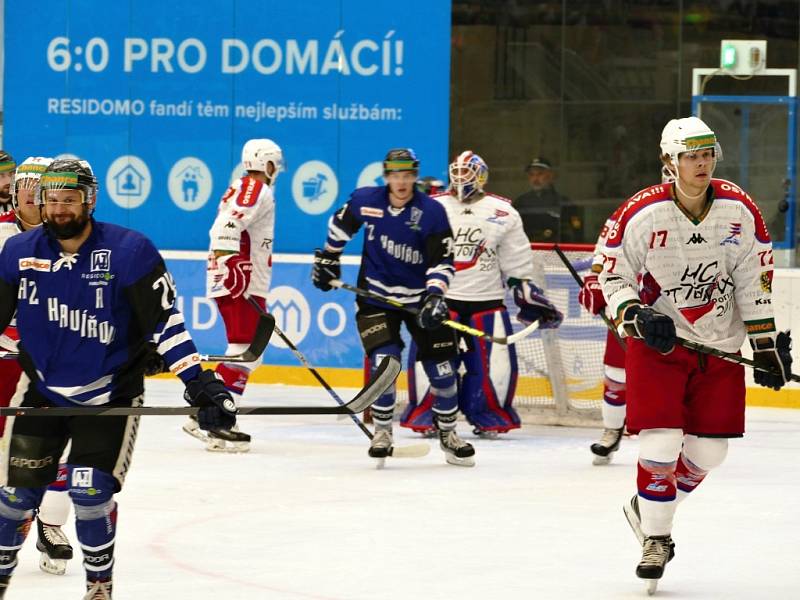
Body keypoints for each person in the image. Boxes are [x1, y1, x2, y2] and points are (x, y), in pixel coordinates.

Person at [0, 158, 237, 599]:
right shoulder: (19, 252)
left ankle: (99, 587)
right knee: (14, 499)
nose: (59, 209)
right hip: (42, 392)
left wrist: (200, 384)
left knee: (89, 493)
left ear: (89, 200)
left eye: (69, 200)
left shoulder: (130, 251)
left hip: (110, 395)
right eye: (52, 200)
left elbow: (166, 325)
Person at [598, 116, 792, 588]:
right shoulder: (642, 213)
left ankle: (648, 506)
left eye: (707, 154)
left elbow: (755, 280)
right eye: (691, 156)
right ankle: (657, 539)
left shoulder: (739, 210)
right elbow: (609, 274)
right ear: (670, 161)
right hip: (658, 344)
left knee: (710, 451)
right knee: (661, 443)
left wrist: (765, 344)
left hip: (720, 344)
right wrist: (635, 316)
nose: (701, 163)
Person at [312, 148, 476, 466]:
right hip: (376, 298)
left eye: (407, 175)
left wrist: (434, 296)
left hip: (419, 301)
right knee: (385, 364)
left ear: (415, 176)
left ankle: (449, 433)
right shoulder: (366, 200)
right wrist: (329, 257)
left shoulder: (431, 212)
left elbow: (443, 261)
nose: (401, 182)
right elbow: (340, 225)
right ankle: (383, 432)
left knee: (443, 372)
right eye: (395, 175)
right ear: (386, 176)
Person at [401, 150, 563, 437]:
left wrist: (524, 288)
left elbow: (515, 259)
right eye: (458, 172)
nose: (462, 178)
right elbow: (413, 250)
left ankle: (489, 415)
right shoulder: (432, 206)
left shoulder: (503, 211)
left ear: (482, 175)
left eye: (468, 172)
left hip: (486, 301)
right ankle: (428, 414)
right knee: (431, 362)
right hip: (440, 300)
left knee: (492, 369)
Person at [0, 157, 76, 575]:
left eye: (38, 186)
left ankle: (51, 525)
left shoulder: (74, 243)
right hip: (5, 365)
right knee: (7, 452)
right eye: (23, 184)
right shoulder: (3, 238)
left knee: (56, 448)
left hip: (53, 367)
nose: (29, 192)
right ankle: (12, 523)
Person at [183, 138, 283, 453]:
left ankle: (207, 410)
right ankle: (214, 420)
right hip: (241, 281)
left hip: (245, 280)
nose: (277, 170)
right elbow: (225, 226)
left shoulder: (248, 188)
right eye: (275, 163)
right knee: (244, 350)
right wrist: (232, 263)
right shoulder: (256, 188)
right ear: (267, 164)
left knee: (249, 352)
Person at [578, 203, 628, 465]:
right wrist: (594, 279)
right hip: (628, 299)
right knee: (618, 373)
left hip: (680, 304)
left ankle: (679, 434)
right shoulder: (632, 209)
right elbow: (603, 252)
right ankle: (612, 429)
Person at [514, 157, 582, 242]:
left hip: (556, 250)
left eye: (540, 174)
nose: (535, 179)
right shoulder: (520, 202)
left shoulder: (563, 202)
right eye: (531, 174)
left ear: (550, 175)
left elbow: (576, 230)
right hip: (528, 249)